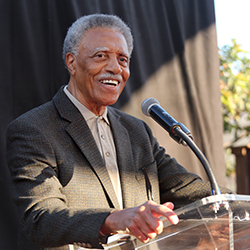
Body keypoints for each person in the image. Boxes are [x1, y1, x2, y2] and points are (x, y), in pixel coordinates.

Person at [6, 14, 230, 250]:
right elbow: (41, 219)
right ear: (71, 62)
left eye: (123, 59)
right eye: (101, 56)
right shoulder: (34, 128)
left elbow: (186, 188)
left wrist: (236, 204)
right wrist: (113, 219)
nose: (115, 68)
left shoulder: (136, 130)